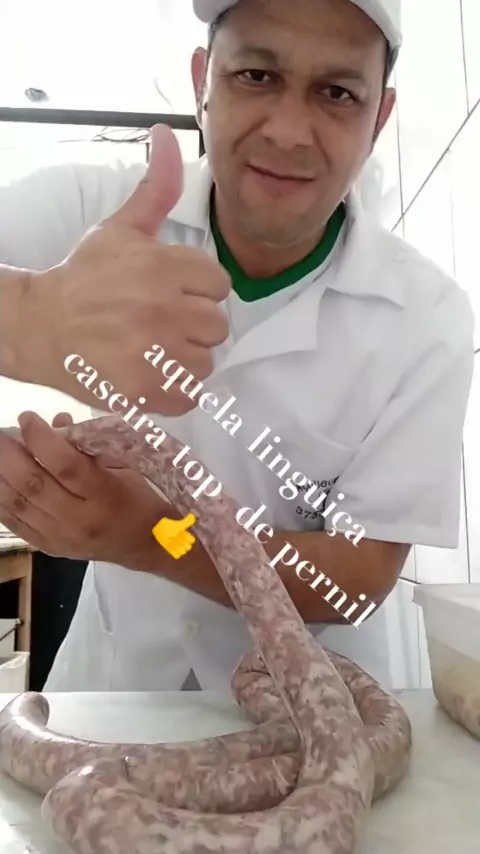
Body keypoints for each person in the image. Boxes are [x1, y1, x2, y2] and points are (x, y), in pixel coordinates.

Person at [0, 0, 474, 692]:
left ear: (379, 119)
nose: (288, 132)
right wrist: (29, 321)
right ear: (203, 82)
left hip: (323, 700)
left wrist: (148, 534)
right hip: (117, 692)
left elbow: (355, 580)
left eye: (337, 93)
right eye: (257, 75)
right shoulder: (90, 211)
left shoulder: (427, 318)